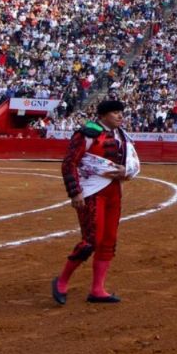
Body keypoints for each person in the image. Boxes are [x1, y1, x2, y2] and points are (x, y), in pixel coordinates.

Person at [52, 100, 140, 305]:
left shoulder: (122, 136)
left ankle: (98, 289)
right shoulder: (87, 133)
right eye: (115, 113)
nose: (120, 116)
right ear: (102, 116)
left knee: (108, 240)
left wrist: (126, 171)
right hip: (92, 191)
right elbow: (69, 163)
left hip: (114, 192)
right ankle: (61, 281)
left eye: (121, 112)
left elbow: (131, 164)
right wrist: (75, 192)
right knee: (91, 240)